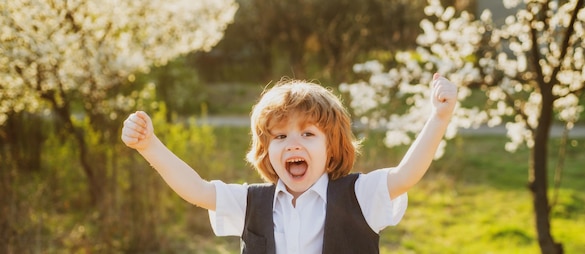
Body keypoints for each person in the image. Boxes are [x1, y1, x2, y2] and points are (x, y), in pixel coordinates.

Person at [121, 73, 457, 254]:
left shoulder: (360, 195)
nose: (292, 143)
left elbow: (406, 175)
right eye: (279, 137)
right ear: (266, 150)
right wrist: (150, 146)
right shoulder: (252, 202)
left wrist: (439, 118)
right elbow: (196, 190)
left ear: (332, 147)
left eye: (308, 134)